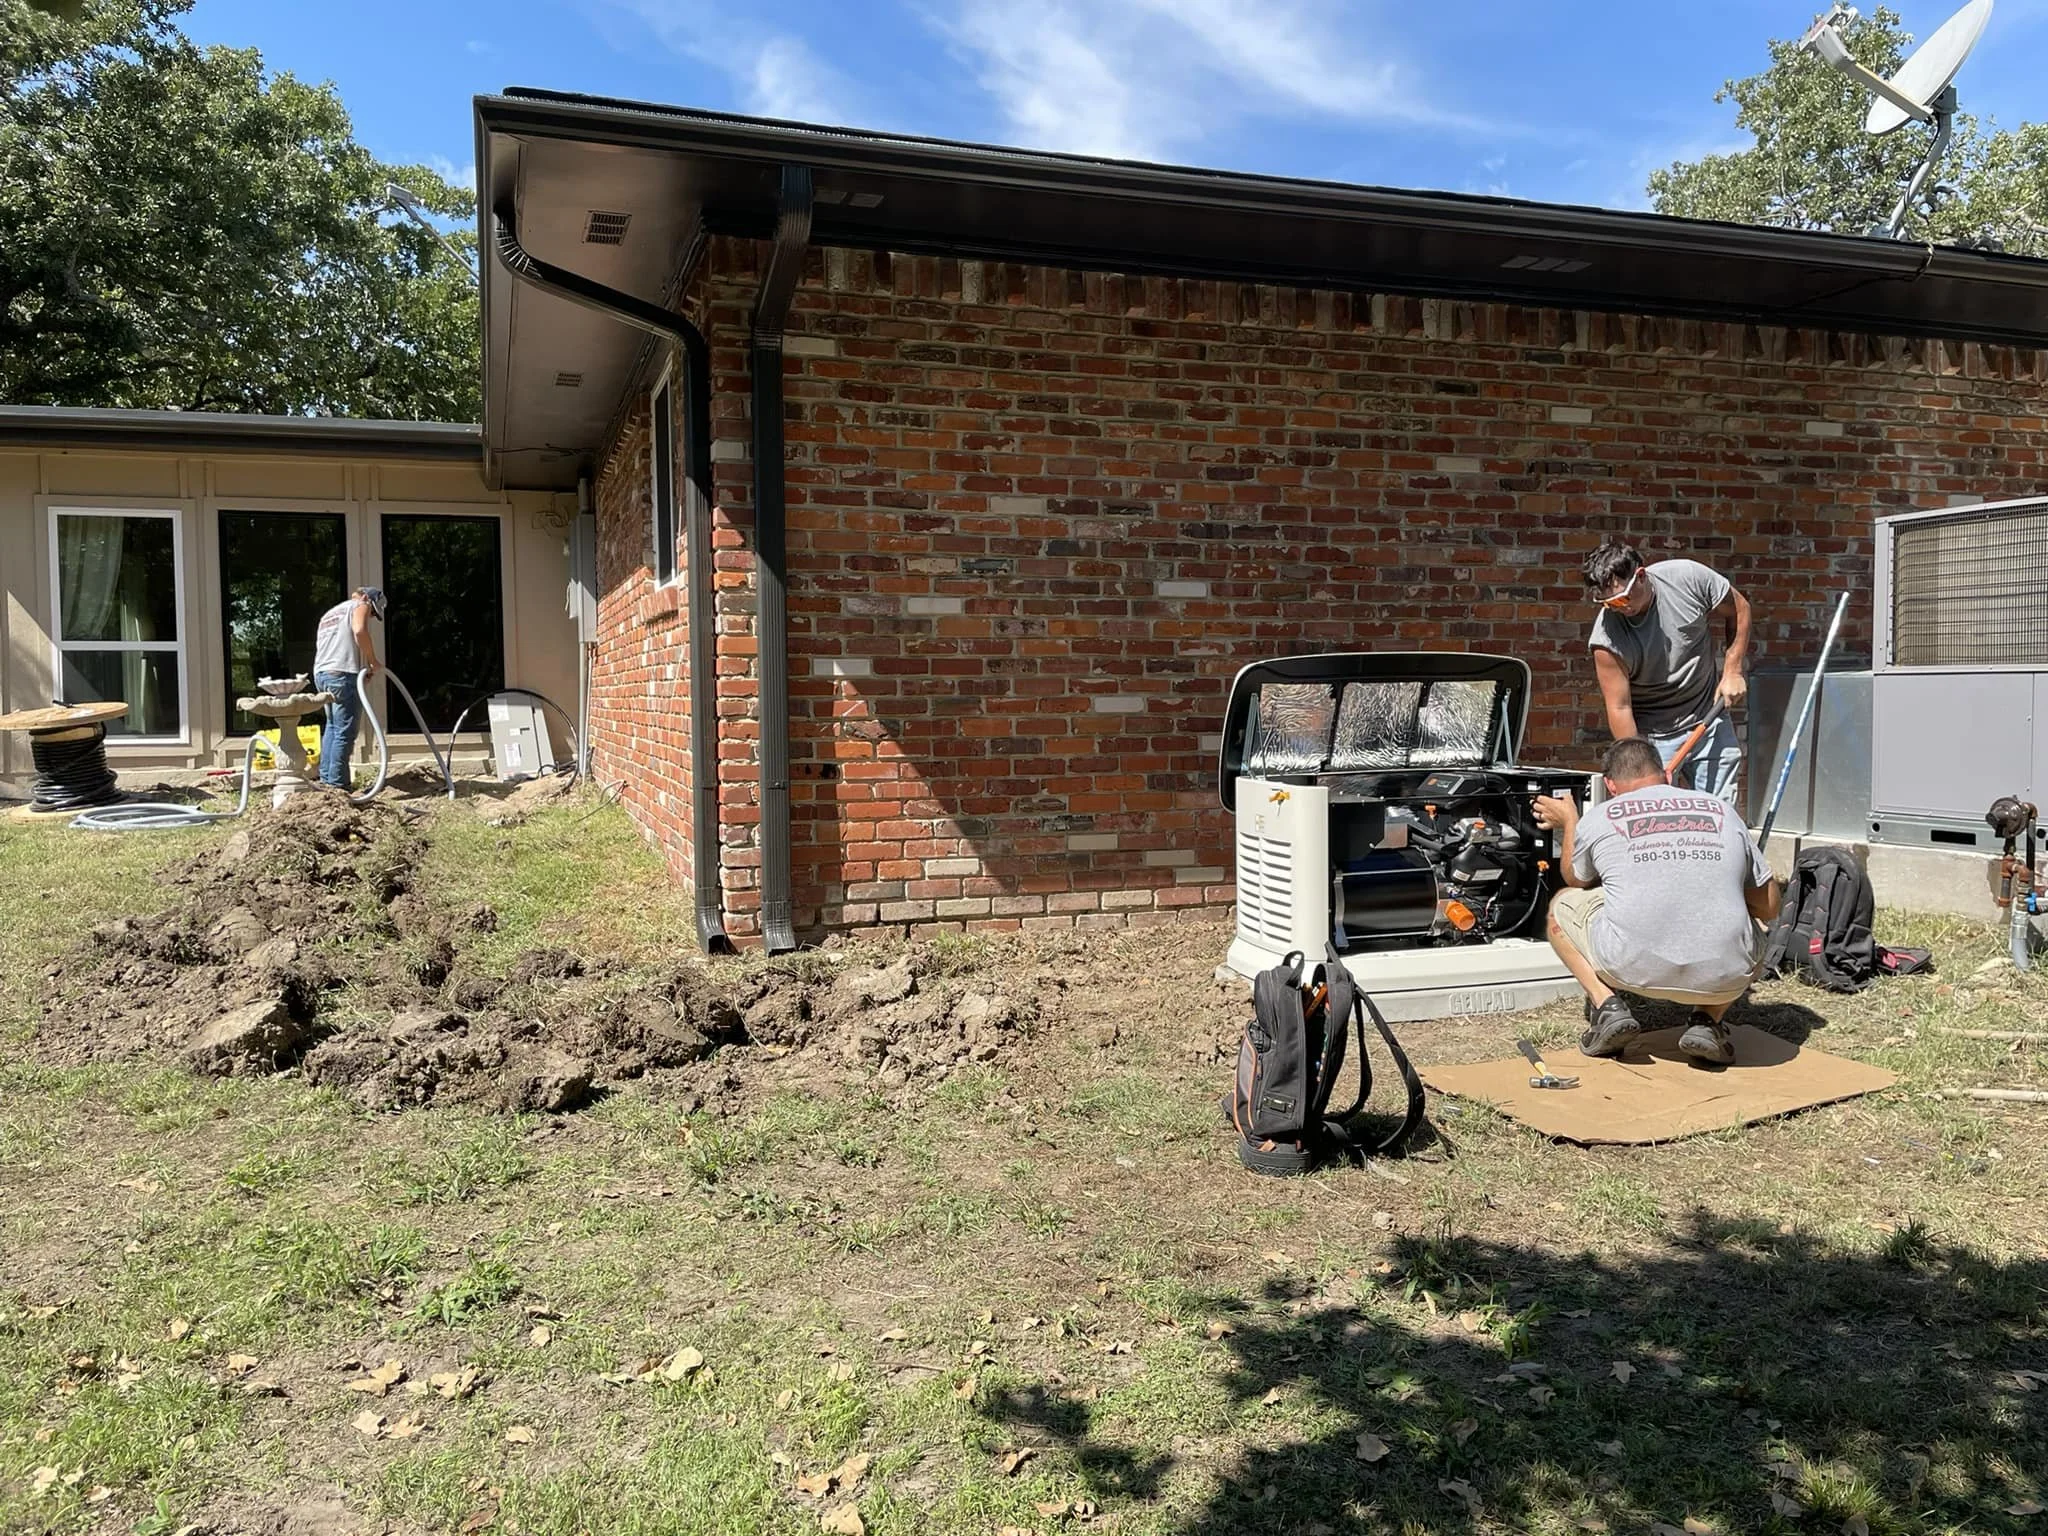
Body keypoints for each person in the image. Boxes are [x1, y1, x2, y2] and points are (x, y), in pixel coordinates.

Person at [1533, 736, 1782, 1065]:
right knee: (1755, 928)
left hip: (1628, 969)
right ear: (1665, 774)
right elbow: (1769, 906)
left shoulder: (1602, 816)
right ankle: (1707, 1021)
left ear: (1610, 784)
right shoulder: (1721, 810)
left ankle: (1607, 1005)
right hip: (1726, 978)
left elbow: (1575, 878)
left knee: (1563, 904)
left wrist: (1570, 824)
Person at [1584, 539, 1751, 804]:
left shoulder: (1687, 579)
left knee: (1718, 815)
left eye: (1621, 599)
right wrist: (1644, 766)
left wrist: (1732, 670)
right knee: (1656, 820)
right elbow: (1619, 708)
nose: (1619, 609)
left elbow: (1740, 609)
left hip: (1708, 716)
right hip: (1655, 737)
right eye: (1608, 604)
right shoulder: (1607, 639)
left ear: (1640, 576)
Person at [312, 586, 386, 790]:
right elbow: (360, 630)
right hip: (341, 674)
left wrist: (358, 674)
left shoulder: (331, 613)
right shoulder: (360, 604)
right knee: (344, 731)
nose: (370, 616)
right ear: (368, 599)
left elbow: (338, 645)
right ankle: (338, 786)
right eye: (372, 612)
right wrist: (372, 662)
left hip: (322, 674)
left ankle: (327, 780)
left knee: (333, 728)